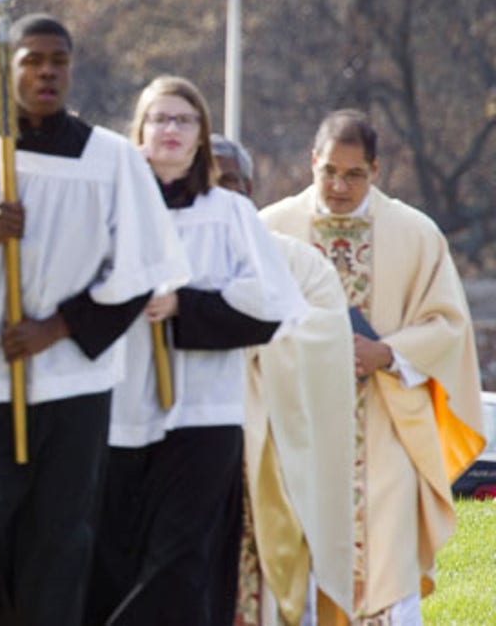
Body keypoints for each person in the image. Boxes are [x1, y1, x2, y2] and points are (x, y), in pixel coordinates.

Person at [0, 14, 190, 626]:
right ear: (7, 69)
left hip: (73, 384)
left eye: (57, 60)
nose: (46, 72)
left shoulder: (111, 158)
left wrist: (53, 329)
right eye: (32, 60)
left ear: (71, 67)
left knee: (58, 537)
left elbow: (141, 268)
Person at [86, 76, 306, 626]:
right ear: (138, 132)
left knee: (182, 563)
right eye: (159, 118)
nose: (170, 130)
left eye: (184, 120)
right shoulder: (108, 210)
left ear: (201, 137)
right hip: (118, 409)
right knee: (112, 558)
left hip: (202, 412)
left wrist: (185, 304)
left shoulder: (227, 213)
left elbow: (273, 302)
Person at [261, 109, 485, 622]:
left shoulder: (415, 233)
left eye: (354, 174)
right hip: (298, 433)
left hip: (383, 432)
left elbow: (449, 325)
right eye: (329, 172)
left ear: (376, 169)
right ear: (312, 162)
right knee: (297, 564)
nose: (339, 186)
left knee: (385, 564)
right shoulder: (271, 230)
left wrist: (386, 352)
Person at [212, 134, 355, 625]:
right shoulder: (167, 251)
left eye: (230, 180)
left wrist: (234, 331)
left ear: (250, 187)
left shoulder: (296, 261)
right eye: (207, 180)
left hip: (270, 449)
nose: (221, 191)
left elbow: (328, 333)